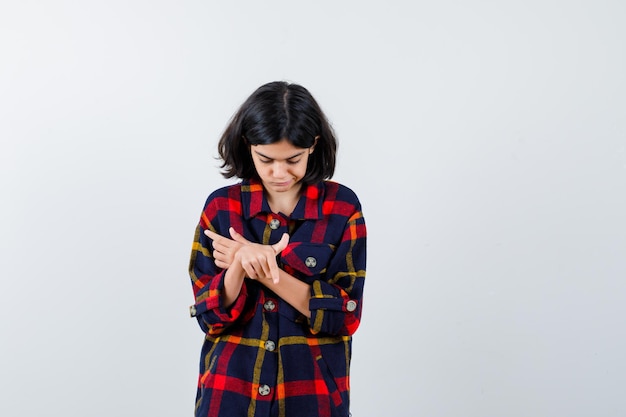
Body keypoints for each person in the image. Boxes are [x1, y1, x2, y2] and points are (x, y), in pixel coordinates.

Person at [188, 81, 367, 417]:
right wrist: (240, 264)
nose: (279, 172)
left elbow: (346, 315)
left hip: (312, 397)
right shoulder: (221, 208)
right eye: (266, 159)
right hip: (229, 394)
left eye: (293, 160)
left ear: (313, 146)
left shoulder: (342, 208)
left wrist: (265, 270)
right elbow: (209, 315)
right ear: (247, 145)